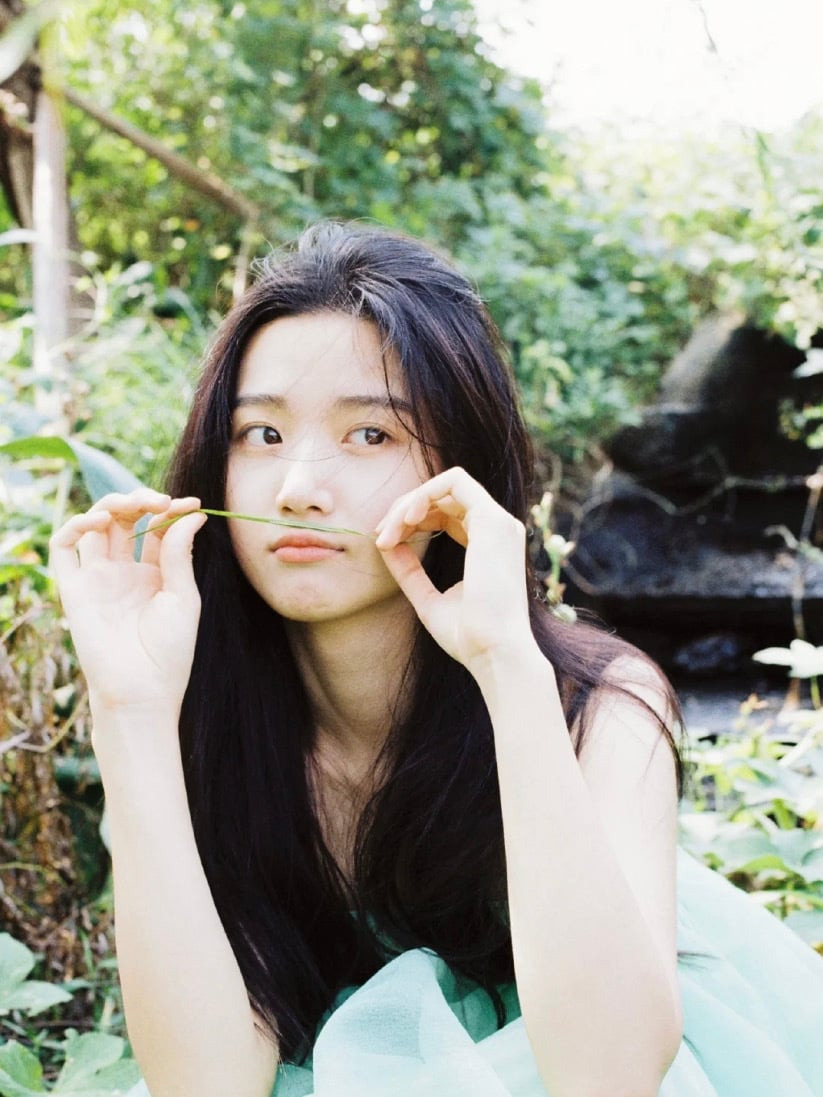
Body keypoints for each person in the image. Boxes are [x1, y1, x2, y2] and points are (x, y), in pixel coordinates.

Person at [50, 223, 823, 1097]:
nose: (297, 486)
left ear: (460, 465)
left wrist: (505, 666)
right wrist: (130, 710)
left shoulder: (598, 703)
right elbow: (207, 1084)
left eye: (370, 434)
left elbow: (606, 1075)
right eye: (260, 433)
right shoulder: (205, 707)